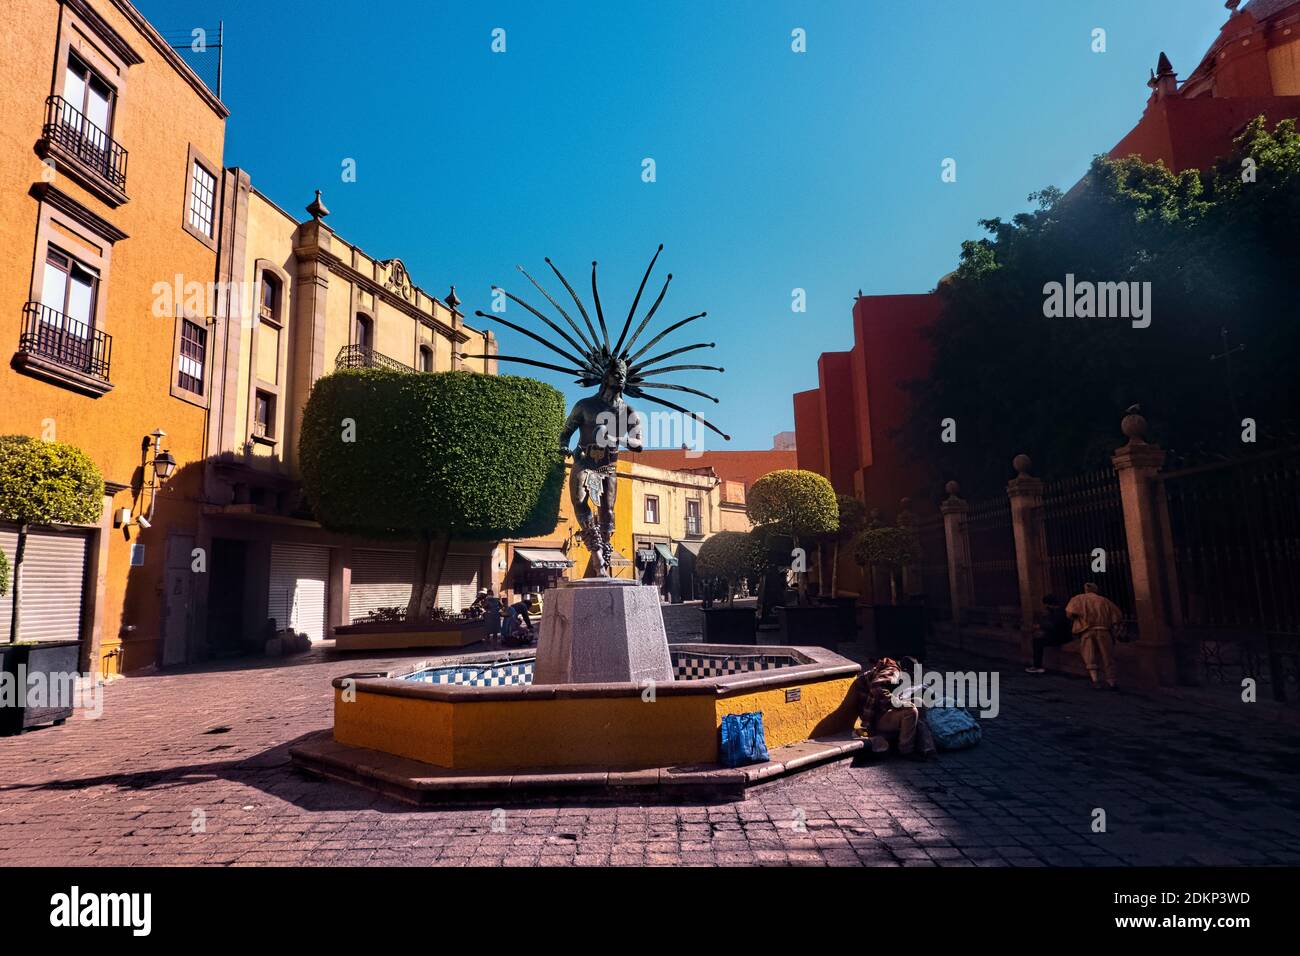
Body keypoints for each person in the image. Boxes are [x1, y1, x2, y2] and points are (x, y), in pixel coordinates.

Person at [854, 657, 935, 757]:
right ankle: (906, 751)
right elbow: (877, 687)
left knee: (918, 702)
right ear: (905, 672)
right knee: (911, 711)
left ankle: (926, 748)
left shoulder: (892, 671)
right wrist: (899, 703)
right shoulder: (894, 671)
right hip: (873, 721)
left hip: (881, 712)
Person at [1065, 582, 1123, 689]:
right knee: (1107, 656)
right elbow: (1117, 616)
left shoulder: (1078, 599)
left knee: (1089, 655)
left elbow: (1070, 613)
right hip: (1103, 630)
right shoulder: (1105, 601)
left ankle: (1095, 680)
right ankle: (1111, 681)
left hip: (1087, 631)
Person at [1025, 593, 1072, 674]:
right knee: (1037, 639)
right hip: (1060, 635)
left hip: (1062, 637)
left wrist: (1040, 626)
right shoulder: (1058, 611)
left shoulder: (1059, 613)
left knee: (1037, 642)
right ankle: (1037, 665)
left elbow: (1053, 626)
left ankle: (1037, 666)